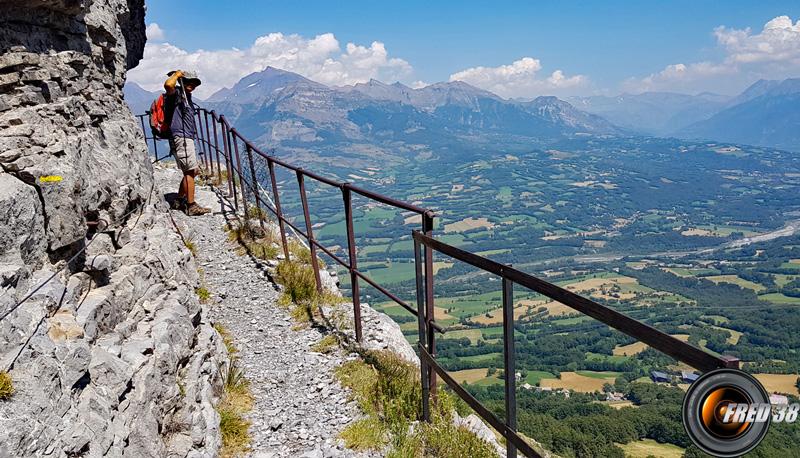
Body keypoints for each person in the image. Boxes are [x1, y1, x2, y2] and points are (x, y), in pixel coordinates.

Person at [164, 69, 211, 216]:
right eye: (189, 81)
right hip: (181, 137)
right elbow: (168, 85)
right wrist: (177, 75)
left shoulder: (186, 96)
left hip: (187, 137)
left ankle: (179, 199)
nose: (192, 85)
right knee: (190, 171)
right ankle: (191, 206)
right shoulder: (176, 94)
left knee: (193, 170)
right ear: (182, 82)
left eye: (195, 83)